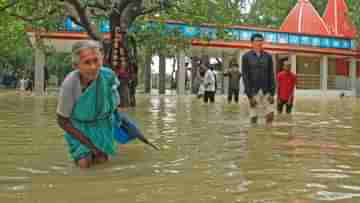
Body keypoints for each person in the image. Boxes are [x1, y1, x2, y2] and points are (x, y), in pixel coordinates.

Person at [56, 40, 121, 169]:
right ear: (76, 65)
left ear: (101, 59)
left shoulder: (108, 76)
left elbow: (113, 103)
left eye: (96, 60)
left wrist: (119, 121)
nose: (93, 67)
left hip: (103, 126)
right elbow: (62, 120)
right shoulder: (70, 84)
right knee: (83, 163)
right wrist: (91, 146)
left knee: (102, 162)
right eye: (87, 62)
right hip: (78, 128)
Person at [242, 33, 275, 124]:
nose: (259, 42)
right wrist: (250, 96)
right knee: (254, 116)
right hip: (253, 90)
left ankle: (268, 134)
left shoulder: (268, 56)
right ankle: (253, 135)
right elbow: (245, 76)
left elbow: (271, 74)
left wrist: (272, 93)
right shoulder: (246, 57)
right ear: (252, 43)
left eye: (261, 40)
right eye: (257, 40)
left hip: (266, 90)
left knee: (271, 114)